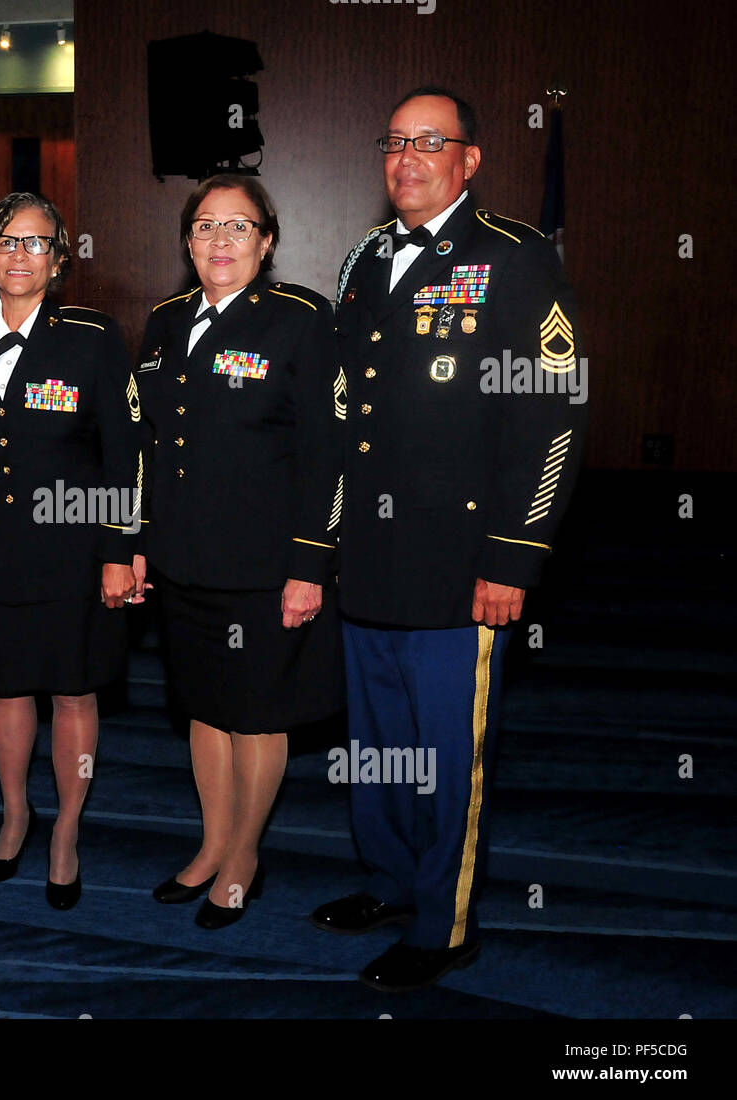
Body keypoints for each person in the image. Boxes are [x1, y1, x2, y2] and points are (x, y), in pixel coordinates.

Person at [311, 87, 587, 991]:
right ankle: (390, 880)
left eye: (431, 142)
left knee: (445, 757)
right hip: (373, 558)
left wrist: (514, 554)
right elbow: (348, 405)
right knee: (379, 742)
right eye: (395, 141)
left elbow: (552, 416)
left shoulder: (514, 258)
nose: (408, 158)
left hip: (462, 563)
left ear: (470, 160)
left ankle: (446, 921)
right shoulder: (363, 258)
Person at [135, 174, 344, 928]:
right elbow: (148, 442)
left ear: (267, 240)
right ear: (187, 240)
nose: (219, 242)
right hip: (183, 557)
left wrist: (309, 563)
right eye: (204, 227)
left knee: (257, 713)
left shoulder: (301, 319)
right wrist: (135, 540)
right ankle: (212, 842)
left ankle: (246, 854)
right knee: (203, 709)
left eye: (238, 227)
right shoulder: (163, 320)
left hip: (266, 565)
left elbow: (329, 452)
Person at [0, 193, 141, 910]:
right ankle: (16, 815)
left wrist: (120, 548)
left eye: (35, 243)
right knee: (6, 688)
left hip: (74, 549)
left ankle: (68, 831)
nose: (19, 255)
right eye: (5, 242)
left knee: (74, 690)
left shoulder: (93, 336)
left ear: (59, 258)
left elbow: (124, 452)